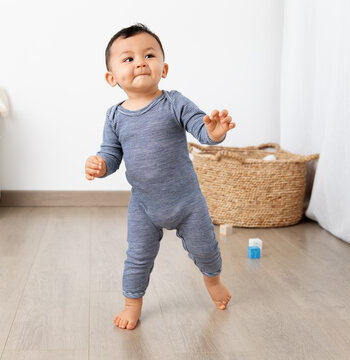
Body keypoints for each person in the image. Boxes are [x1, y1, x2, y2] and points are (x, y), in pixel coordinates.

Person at [85, 24, 235, 330]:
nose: (140, 62)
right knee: (137, 257)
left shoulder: (174, 102)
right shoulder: (114, 117)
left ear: (163, 68)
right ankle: (131, 304)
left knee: (206, 249)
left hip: (187, 201)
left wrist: (212, 132)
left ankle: (214, 281)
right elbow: (112, 155)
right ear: (111, 78)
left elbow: (199, 124)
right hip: (144, 205)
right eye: (128, 59)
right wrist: (101, 165)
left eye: (149, 55)